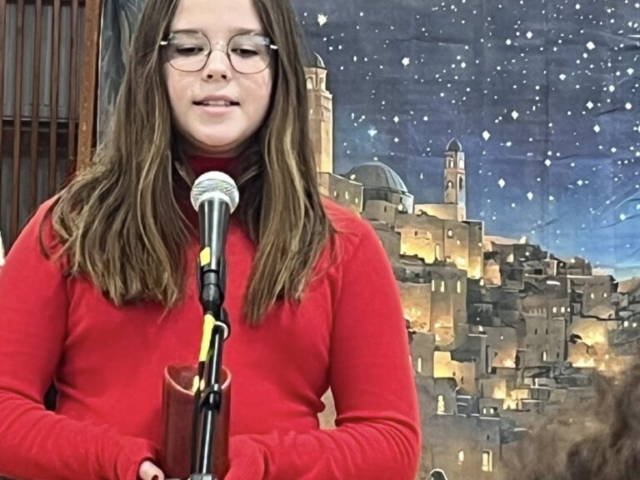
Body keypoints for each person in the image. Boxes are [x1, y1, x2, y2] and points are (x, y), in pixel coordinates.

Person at [0, 0, 421, 479]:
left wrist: (259, 465)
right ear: (153, 65)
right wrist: (116, 462)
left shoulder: (342, 246)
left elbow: (390, 443)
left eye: (246, 49)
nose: (217, 67)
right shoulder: (70, 226)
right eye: (188, 48)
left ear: (279, 70)